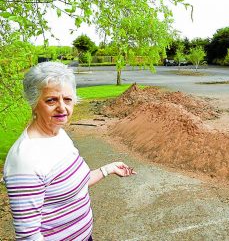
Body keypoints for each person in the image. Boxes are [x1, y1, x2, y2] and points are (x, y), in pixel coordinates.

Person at [3, 62, 136, 240]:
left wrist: (108, 169)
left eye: (67, 99)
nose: (62, 107)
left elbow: (77, 181)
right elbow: (29, 236)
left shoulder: (59, 135)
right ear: (34, 103)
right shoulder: (25, 160)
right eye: (51, 100)